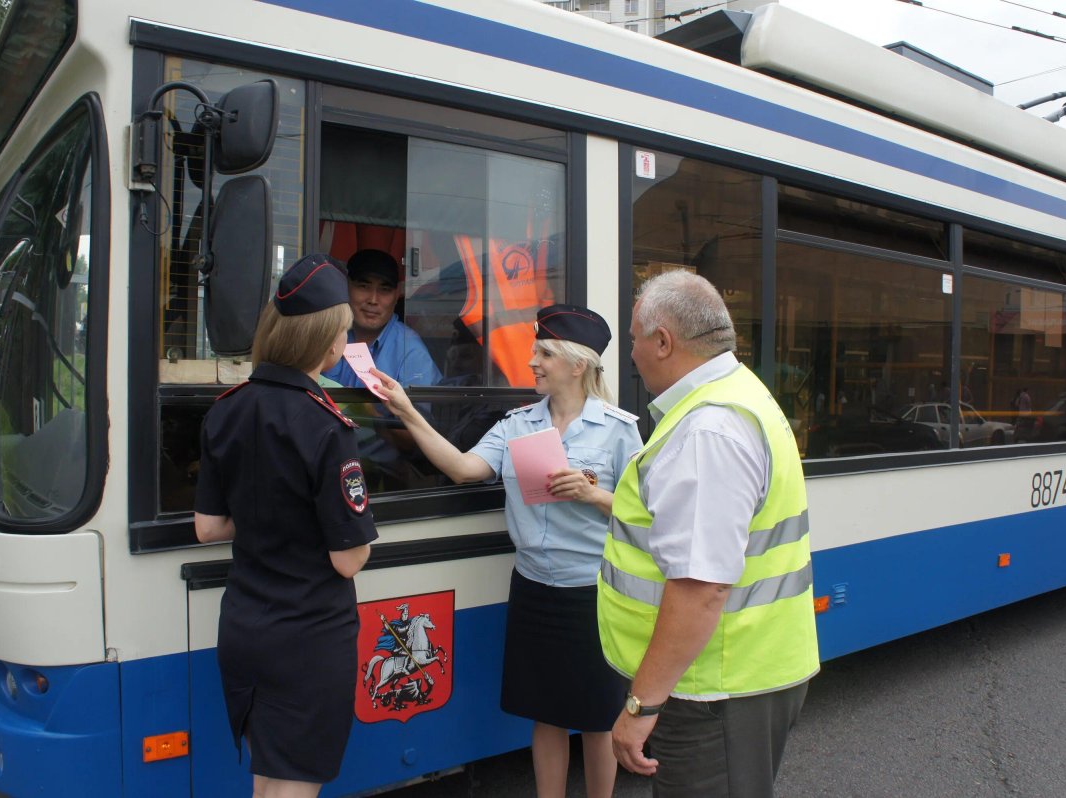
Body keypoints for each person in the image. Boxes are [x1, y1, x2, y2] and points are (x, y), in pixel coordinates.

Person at [372, 304, 642, 798]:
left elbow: (643, 515)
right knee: (546, 713)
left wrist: (593, 494)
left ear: (576, 364)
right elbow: (462, 468)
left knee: (598, 718)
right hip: (534, 588)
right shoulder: (517, 424)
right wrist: (407, 410)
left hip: (592, 593)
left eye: (543, 353)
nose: (532, 362)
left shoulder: (619, 430)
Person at [600, 271, 819, 798]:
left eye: (633, 339)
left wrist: (641, 705)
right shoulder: (740, 394)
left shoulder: (707, 430)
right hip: (740, 673)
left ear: (663, 341)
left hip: (715, 691)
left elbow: (701, 589)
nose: (630, 354)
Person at [194, 254, 377, 798]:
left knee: (267, 777)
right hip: (309, 635)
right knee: (297, 781)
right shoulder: (326, 425)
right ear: (324, 343)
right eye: (343, 334)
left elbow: (208, 526)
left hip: (246, 625)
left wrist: (267, 517)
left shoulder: (224, 410)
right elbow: (348, 557)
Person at [323, 248, 441, 388]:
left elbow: (416, 410)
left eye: (384, 289)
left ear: (397, 295)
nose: (373, 299)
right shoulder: (328, 335)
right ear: (346, 287)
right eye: (364, 286)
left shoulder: (411, 352)